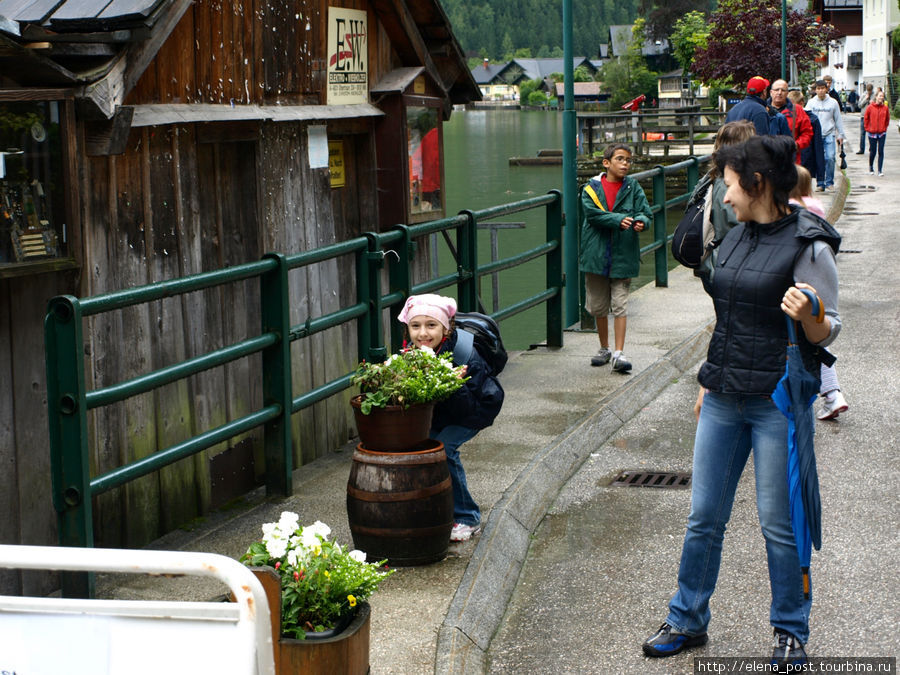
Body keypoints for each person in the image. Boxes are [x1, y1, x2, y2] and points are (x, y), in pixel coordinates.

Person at [643, 135, 842, 669]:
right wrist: (709, 380)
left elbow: (827, 333)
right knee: (703, 516)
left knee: (779, 523)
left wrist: (810, 314)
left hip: (776, 402)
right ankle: (686, 620)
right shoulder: (734, 236)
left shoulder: (809, 245)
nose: (723, 197)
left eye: (728, 186)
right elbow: (727, 317)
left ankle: (790, 632)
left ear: (755, 185)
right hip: (725, 396)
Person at [397, 294, 504, 541]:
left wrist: (452, 383)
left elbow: (466, 409)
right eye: (416, 326)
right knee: (423, 448)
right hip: (445, 410)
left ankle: (468, 516)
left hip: (477, 407)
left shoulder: (464, 356)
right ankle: (437, 509)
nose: (423, 333)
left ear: (446, 327)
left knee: (444, 449)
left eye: (431, 325)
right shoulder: (412, 353)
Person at [580, 143, 653, 373]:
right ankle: (604, 347)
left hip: (623, 253)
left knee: (620, 305)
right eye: (620, 159)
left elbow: (645, 212)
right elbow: (592, 215)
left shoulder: (633, 187)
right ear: (606, 163)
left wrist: (642, 221)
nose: (625, 164)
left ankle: (619, 353)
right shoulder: (590, 188)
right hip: (596, 254)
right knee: (599, 306)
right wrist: (617, 220)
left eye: (628, 160)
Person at [693, 120, 756, 293]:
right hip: (726, 264)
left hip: (717, 263)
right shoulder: (727, 185)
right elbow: (737, 225)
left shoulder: (711, 177)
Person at [805, 79, 846, 192]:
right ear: (815, 90)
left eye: (823, 88)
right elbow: (807, 118)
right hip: (816, 135)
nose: (821, 91)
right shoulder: (811, 103)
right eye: (818, 89)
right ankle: (820, 183)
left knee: (830, 157)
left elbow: (838, 119)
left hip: (829, 133)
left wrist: (840, 134)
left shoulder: (833, 103)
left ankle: (829, 181)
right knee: (819, 159)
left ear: (826, 89)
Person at [769, 80, 813, 162]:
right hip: (768, 159)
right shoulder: (763, 110)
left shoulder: (797, 110)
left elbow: (807, 133)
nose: (779, 93)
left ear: (787, 93)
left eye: (783, 90)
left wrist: (796, 145)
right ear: (771, 92)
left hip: (791, 160)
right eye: (776, 90)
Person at [864, 90, 890, 176]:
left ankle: (880, 170)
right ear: (876, 97)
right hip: (872, 133)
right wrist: (867, 128)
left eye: (882, 96)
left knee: (881, 151)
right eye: (879, 96)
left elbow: (887, 119)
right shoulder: (870, 107)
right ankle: (871, 166)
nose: (881, 98)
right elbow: (866, 118)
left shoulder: (885, 108)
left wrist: (884, 128)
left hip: (882, 133)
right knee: (873, 151)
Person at [856, 83, 873, 154]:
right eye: (868, 91)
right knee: (862, 133)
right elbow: (859, 105)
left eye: (870, 91)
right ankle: (861, 149)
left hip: (872, 117)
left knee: (871, 133)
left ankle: (871, 148)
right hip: (864, 116)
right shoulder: (863, 95)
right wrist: (865, 99)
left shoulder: (875, 95)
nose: (869, 92)